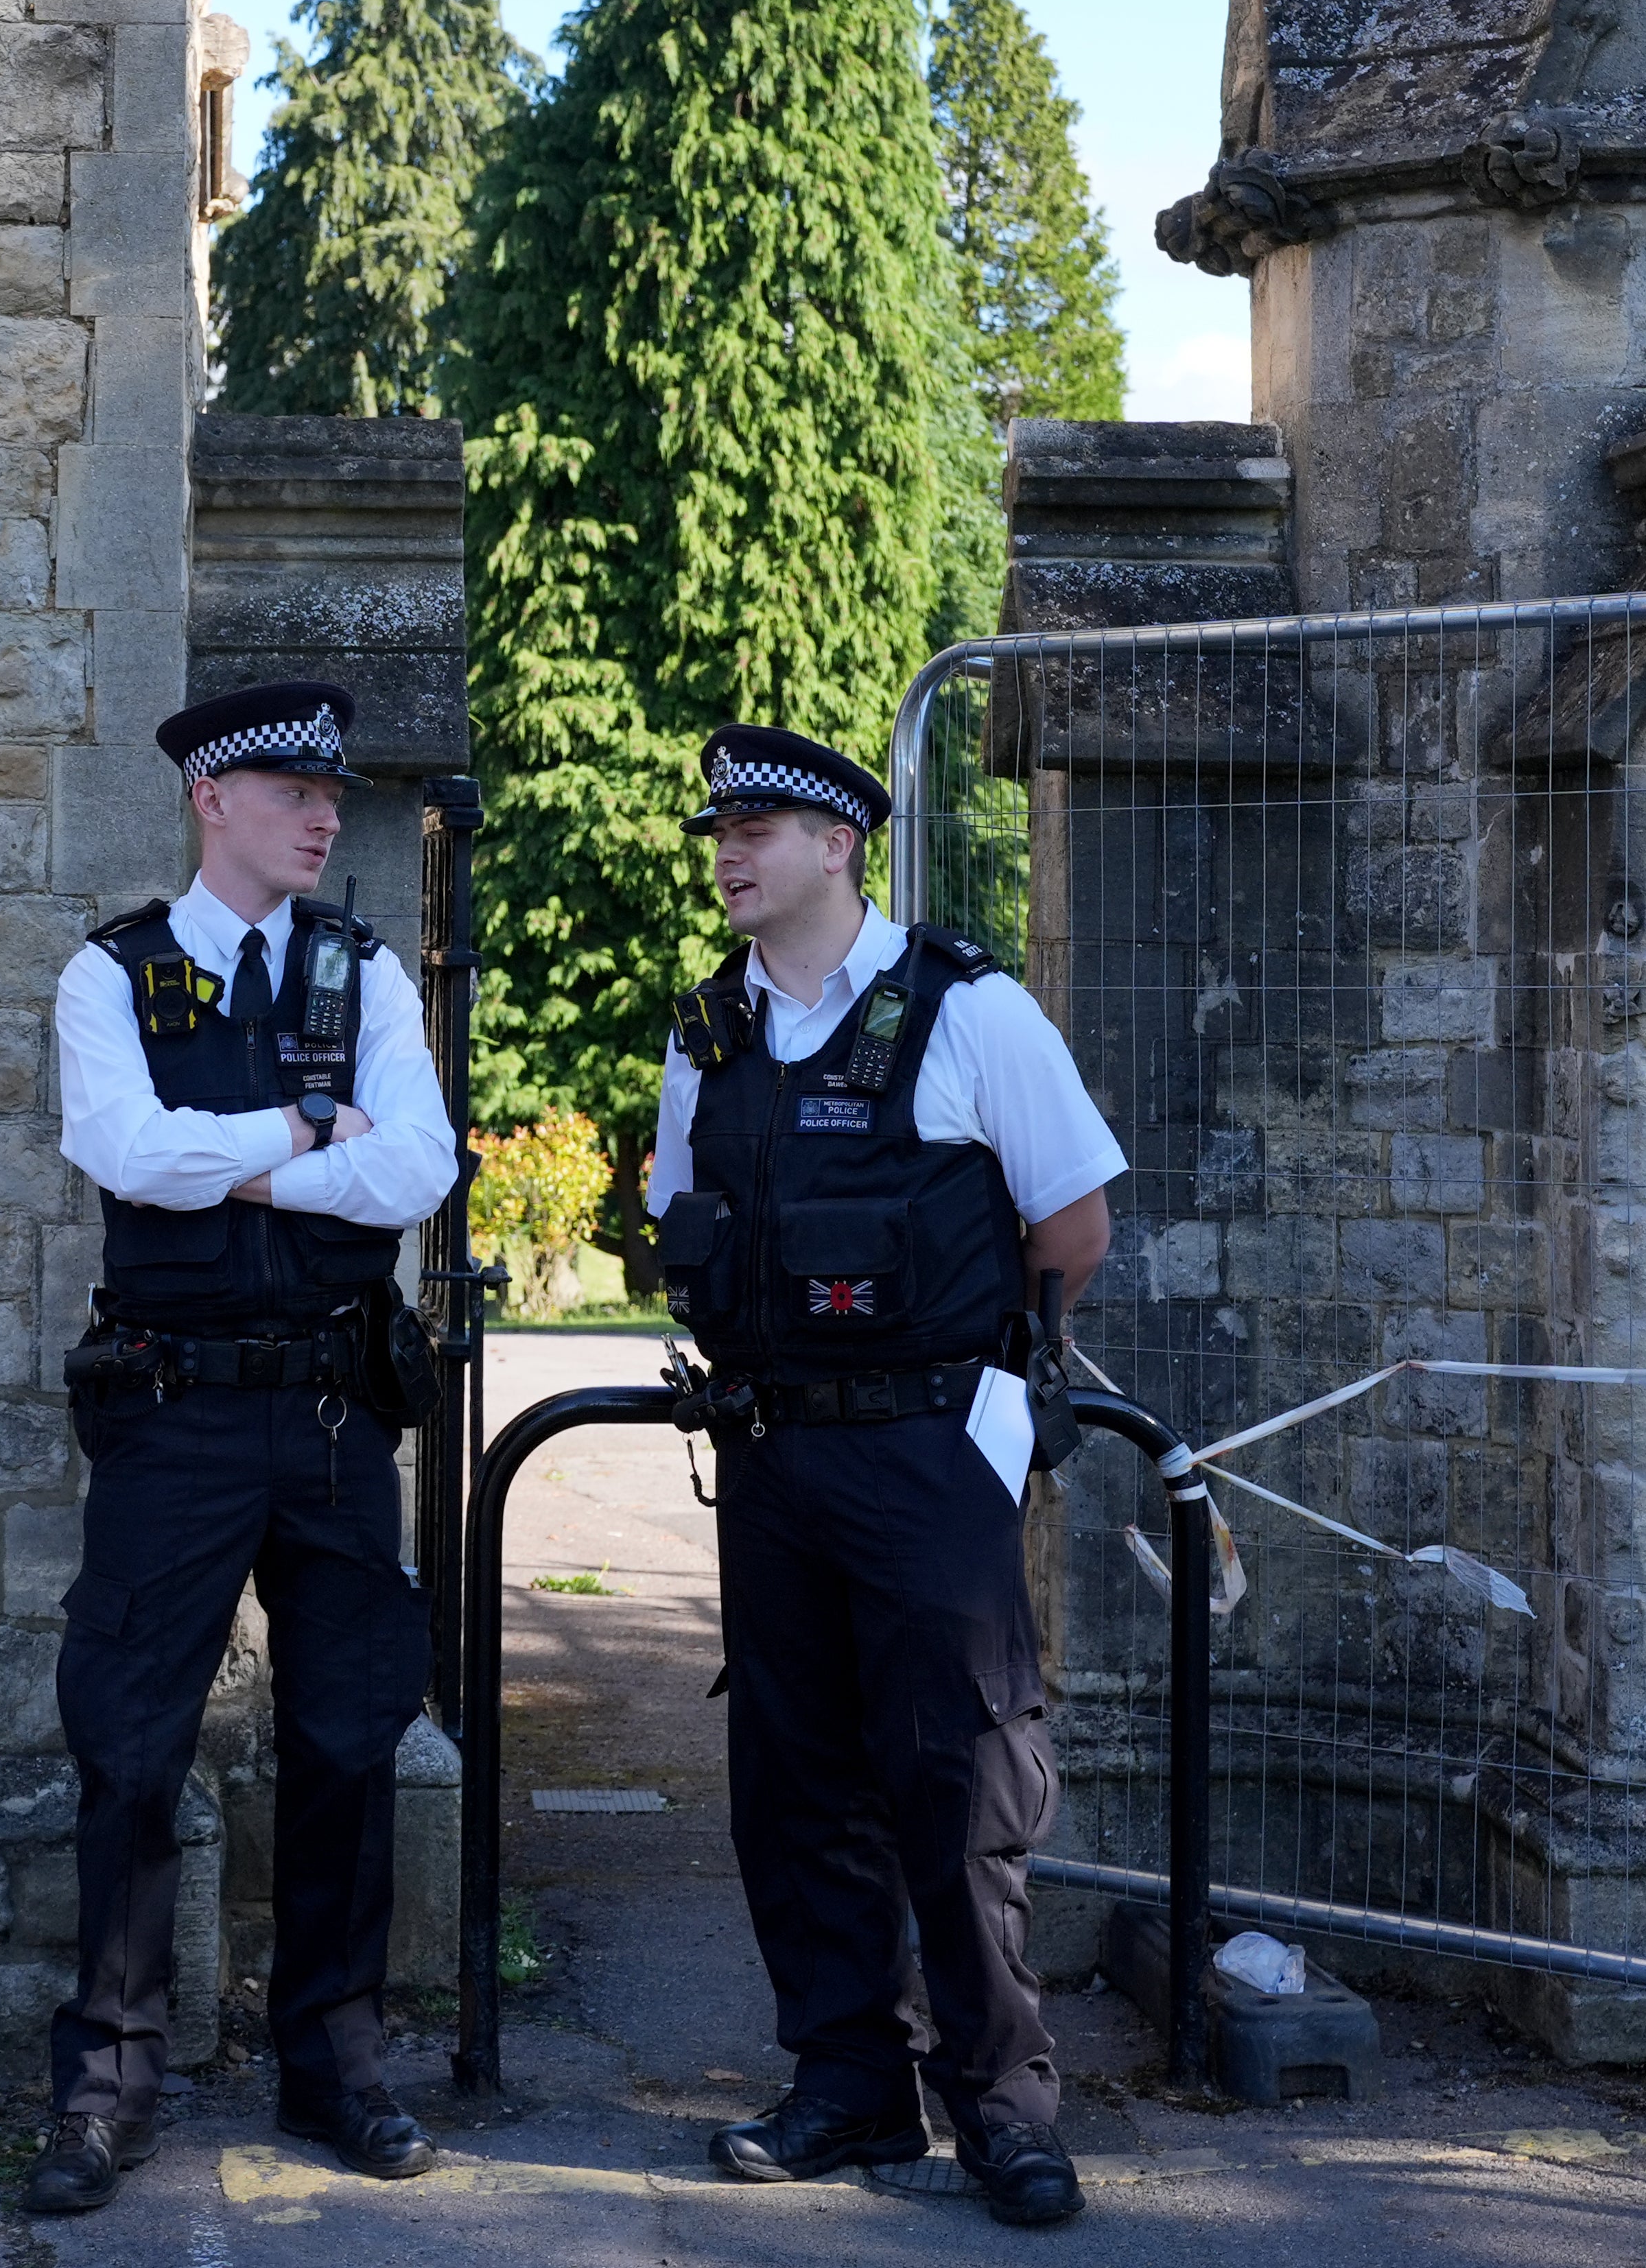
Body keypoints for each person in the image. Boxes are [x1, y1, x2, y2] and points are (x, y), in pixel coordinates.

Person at [648, 723, 1125, 2230]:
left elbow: (1074, 1226)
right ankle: (849, 2085)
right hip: (774, 1450)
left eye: (763, 827)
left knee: (961, 1776)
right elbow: (683, 1221)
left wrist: (982, 1398)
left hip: (926, 1452)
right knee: (796, 1784)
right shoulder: (706, 1033)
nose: (731, 850)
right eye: (720, 828)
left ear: (844, 844)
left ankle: (1005, 2112)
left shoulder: (970, 1012)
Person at [25, 680, 460, 2214]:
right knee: (132, 1745)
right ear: (212, 798)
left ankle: (336, 2062)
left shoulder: (363, 971)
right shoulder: (115, 976)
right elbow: (128, 1154)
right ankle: (108, 2082)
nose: (326, 813)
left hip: (338, 1412)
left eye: (332, 794)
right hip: (177, 1412)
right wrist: (299, 1138)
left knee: (348, 1738)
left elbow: (418, 1168)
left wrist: (247, 1171)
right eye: (292, 790)